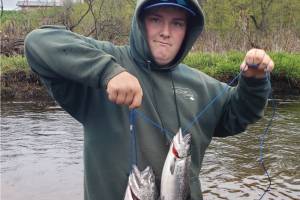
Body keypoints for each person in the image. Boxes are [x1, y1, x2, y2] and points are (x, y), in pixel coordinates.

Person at [24, 0, 274, 199]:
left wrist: (254, 80)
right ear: (140, 23)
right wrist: (107, 72)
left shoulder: (203, 86)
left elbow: (240, 113)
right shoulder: (108, 60)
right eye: (156, 20)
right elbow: (38, 43)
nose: (166, 32)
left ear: (188, 30)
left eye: (177, 23)